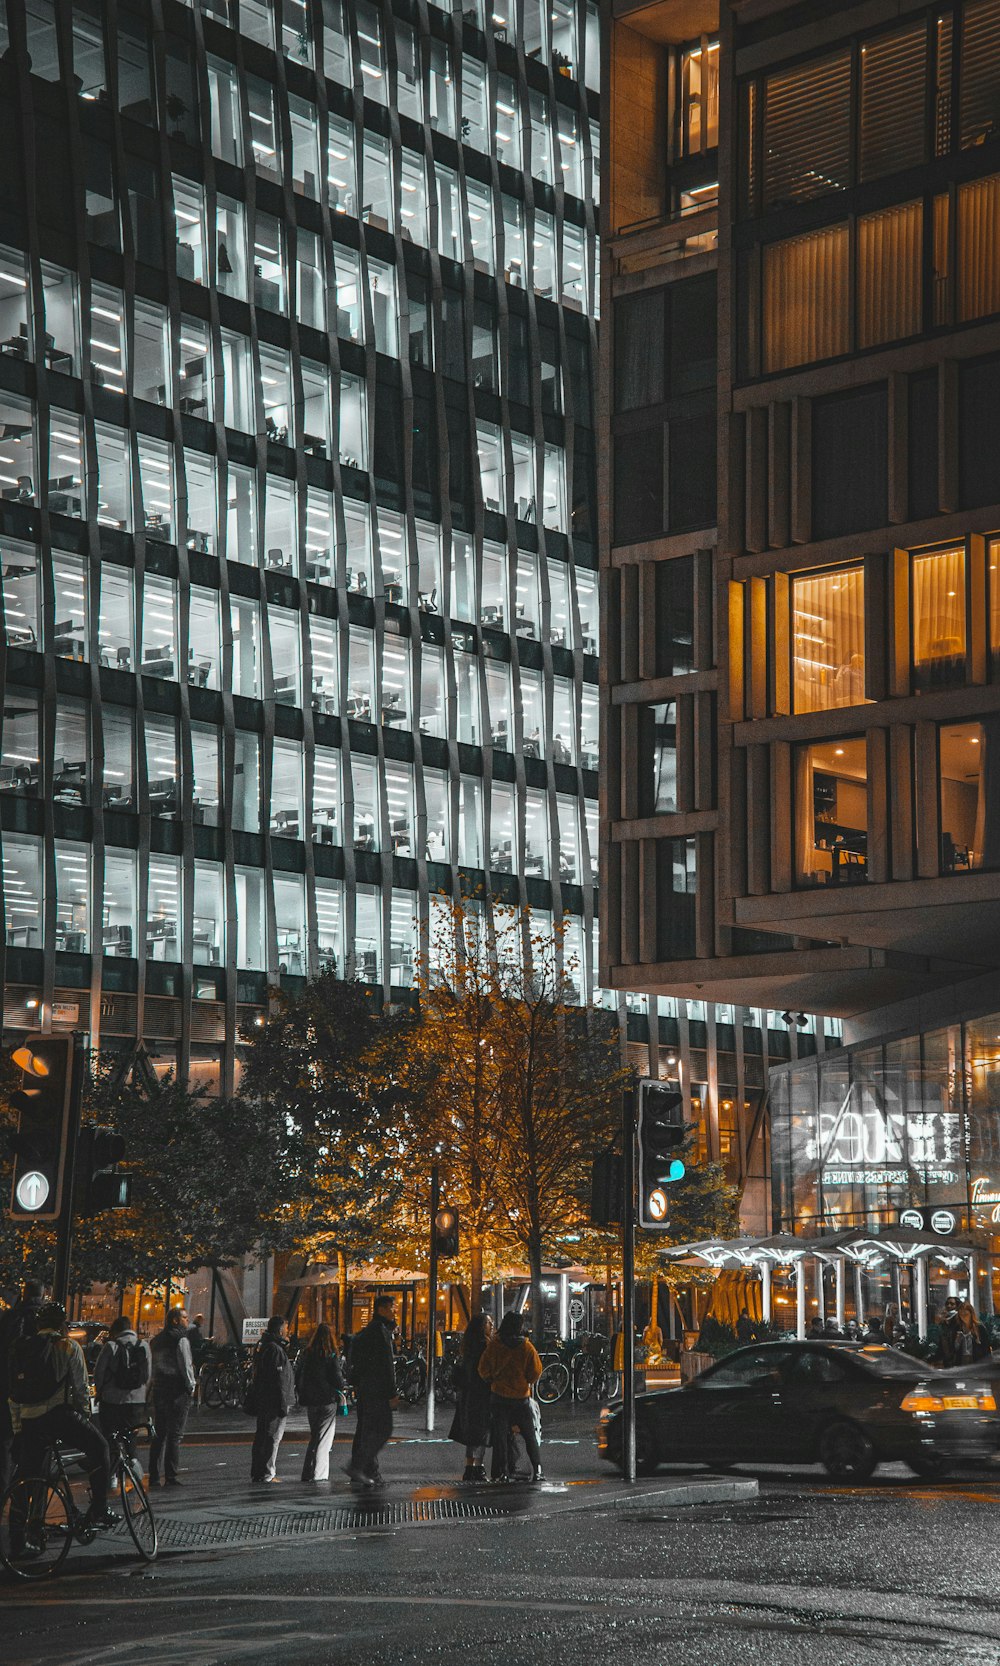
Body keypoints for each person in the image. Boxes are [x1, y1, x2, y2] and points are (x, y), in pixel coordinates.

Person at [8, 1300, 117, 1531]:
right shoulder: (68, 1346)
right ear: (62, 1324)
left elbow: (14, 1394)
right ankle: (99, 1509)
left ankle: (19, 1533)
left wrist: (19, 1428)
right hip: (58, 1416)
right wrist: (85, 1418)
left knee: (26, 1475)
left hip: (29, 1420)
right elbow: (80, 1390)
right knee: (100, 1448)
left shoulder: (24, 1347)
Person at [478, 1310, 543, 1484]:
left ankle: (503, 1472)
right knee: (529, 1435)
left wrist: (492, 1379)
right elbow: (536, 1371)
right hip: (521, 1398)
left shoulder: (494, 1346)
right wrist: (525, 1381)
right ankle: (537, 1470)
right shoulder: (527, 1347)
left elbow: (483, 1369)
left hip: (499, 1397)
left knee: (501, 1437)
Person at [345, 1294, 399, 1487]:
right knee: (382, 1429)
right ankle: (359, 1466)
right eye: (393, 1307)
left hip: (366, 1389)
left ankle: (365, 1470)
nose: (395, 1310)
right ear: (382, 1309)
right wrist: (392, 1392)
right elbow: (386, 1365)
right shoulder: (379, 1332)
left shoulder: (368, 1332)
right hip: (377, 1390)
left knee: (366, 1430)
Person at [0, 1279, 45, 1497]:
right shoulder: (44, 1321)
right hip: (35, 1398)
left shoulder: (10, 1318)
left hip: (7, 1393)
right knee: (32, 1451)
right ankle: (27, 1501)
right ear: (43, 1295)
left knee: (5, 1447)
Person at [93, 1315, 152, 1468]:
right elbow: (148, 1374)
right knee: (131, 1435)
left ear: (116, 1330)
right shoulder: (143, 1345)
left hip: (112, 1400)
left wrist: (100, 1392)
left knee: (110, 1436)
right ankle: (133, 1465)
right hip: (136, 1401)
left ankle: (112, 1471)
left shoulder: (111, 1346)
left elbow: (99, 1372)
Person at [149, 1306, 196, 1486]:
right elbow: (186, 1365)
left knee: (159, 1434)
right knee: (175, 1435)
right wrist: (190, 1386)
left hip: (160, 1389)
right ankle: (170, 1475)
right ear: (176, 1320)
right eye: (184, 1318)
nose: (187, 1320)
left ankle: (154, 1475)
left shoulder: (156, 1341)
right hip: (177, 1391)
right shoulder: (181, 1340)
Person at [296, 1322, 346, 1482]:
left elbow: (299, 1375)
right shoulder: (331, 1356)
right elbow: (338, 1381)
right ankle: (319, 1474)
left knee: (315, 1436)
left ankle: (307, 1472)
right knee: (324, 1439)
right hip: (327, 1401)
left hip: (311, 1401)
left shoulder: (308, 1354)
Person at [449, 1313, 494, 1483]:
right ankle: (478, 1467)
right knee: (482, 1431)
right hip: (482, 1393)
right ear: (483, 1326)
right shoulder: (485, 1346)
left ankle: (469, 1467)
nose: (492, 1325)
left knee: (472, 1431)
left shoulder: (468, 1345)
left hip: (468, 1393)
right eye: (489, 1323)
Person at [250, 1316, 296, 1484]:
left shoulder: (265, 1346)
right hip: (274, 1401)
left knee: (264, 1435)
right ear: (279, 1330)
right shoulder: (275, 1349)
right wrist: (283, 1403)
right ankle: (266, 1473)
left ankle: (259, 1472)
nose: (288, 1332)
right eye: (286, 1329)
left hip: (266, 1399)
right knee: (271, 1437)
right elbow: (279, 1379)